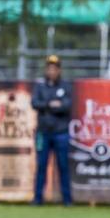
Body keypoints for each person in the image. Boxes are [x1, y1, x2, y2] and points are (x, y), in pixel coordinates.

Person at [31, 55, 72, 206]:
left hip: (61, 133)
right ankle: (37, 199)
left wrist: (52, 106)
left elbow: (67, 105)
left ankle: (67, 199)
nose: (52, 71)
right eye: (49, 68)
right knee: (41, 166)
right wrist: (50, 104)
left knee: (63, 166)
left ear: (59, 70)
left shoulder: (65, 86)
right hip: (43, 132)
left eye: (54, 68)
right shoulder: (40, 86)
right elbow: (35, 103)